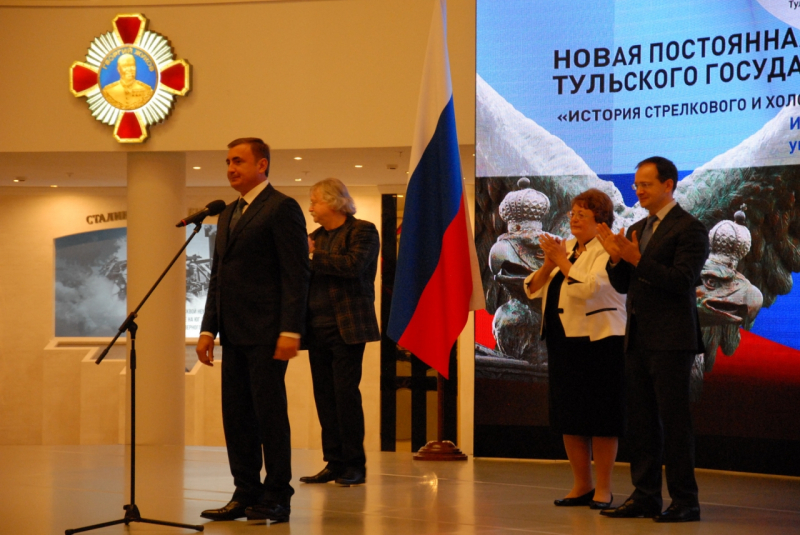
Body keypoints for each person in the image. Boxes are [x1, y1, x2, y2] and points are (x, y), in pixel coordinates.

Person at [197, 138, 310, 524]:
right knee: (237, 416)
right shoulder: (228, 213)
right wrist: (208, 330)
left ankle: (277, 495)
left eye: (239, 161)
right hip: (233, 333)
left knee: (268, 415)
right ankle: (244, 492)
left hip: (267, 332)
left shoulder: (282, 207)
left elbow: (296, 273)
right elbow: (218, 277)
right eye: (228, 161)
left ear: (262, 164)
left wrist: (290, 329)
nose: (231, 168)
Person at [597, 156, 708, 523]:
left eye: (645, 184)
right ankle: (645, 496)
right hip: (638, 338)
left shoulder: (689, 228)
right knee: (641, 423)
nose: (639, 190)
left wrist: (636, 258)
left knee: (674, 424)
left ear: (668, 185)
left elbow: (681, 281)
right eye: (636, 185)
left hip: (672, 340)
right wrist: (617, 260)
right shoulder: (638, 227)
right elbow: (625, 285)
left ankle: (685, 501)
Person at [523, 188, 626, 510]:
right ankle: (582, 485)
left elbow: (590, 288)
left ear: (601, 221)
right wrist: (548, 265)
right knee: (569, 415)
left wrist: (561, 262)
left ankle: (604, 489)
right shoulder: (565, 248)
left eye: (583, 214)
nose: (574, 219)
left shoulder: (607, 250)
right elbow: (532, 288)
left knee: (602, 417)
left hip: (600, 342)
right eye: (573, 213)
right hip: (563, 343)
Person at [299, 178, 380, 487]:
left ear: (333, 202)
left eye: (315, 201)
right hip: (315, 329)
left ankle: (354, 465)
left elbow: (352, 265)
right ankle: (333, 462)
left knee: (345, 396)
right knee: (324, 397)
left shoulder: (363, 231)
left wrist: (311, 256)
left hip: (347, 327)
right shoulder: (314, 238)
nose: (310, 208)